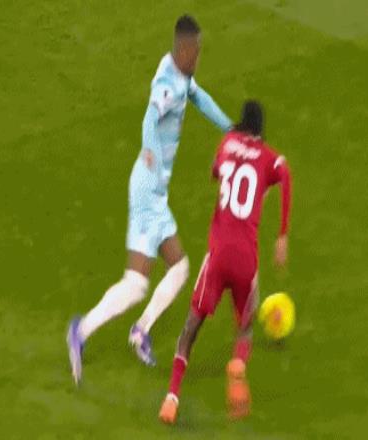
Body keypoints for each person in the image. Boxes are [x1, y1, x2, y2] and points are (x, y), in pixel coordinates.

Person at [67, 14, 233, 385]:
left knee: (178, 268)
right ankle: (83, 329)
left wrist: (230, 129)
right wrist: (148, 148)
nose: (199, 57)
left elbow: (199, 97)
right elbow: (149, 116)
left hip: (154, 192)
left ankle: (139, 330)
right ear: (185, 50)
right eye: (197, 52)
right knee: (138, 284)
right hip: (147, 190)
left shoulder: (179, 73)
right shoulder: (167, 85)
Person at [159, 100, 292, 423]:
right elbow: (285, 173)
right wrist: (282, 235)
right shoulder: (269, 158)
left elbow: (215, 170)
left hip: (218, 256)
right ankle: (238, 364)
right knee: (245, 325)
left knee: (191, 326)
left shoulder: (227, 142)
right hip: (246, 259)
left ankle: (172, 397)